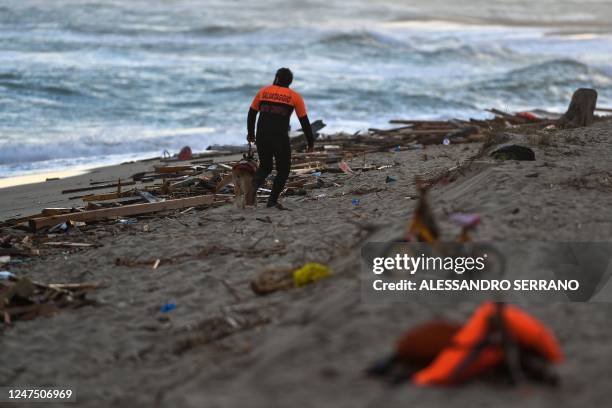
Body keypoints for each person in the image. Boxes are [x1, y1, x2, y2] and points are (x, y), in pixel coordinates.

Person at [247, 68, 314, 208]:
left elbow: (252, 113)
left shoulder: (263, 92)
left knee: (265, 166)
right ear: (290, 81)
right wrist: (310, 142)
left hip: (262, 135)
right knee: (283, 170)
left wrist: (251, 134)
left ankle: (253, 186)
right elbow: (304, 121)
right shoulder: (295, 97)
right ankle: (271, 201)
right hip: (279, 137)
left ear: (277, 78)